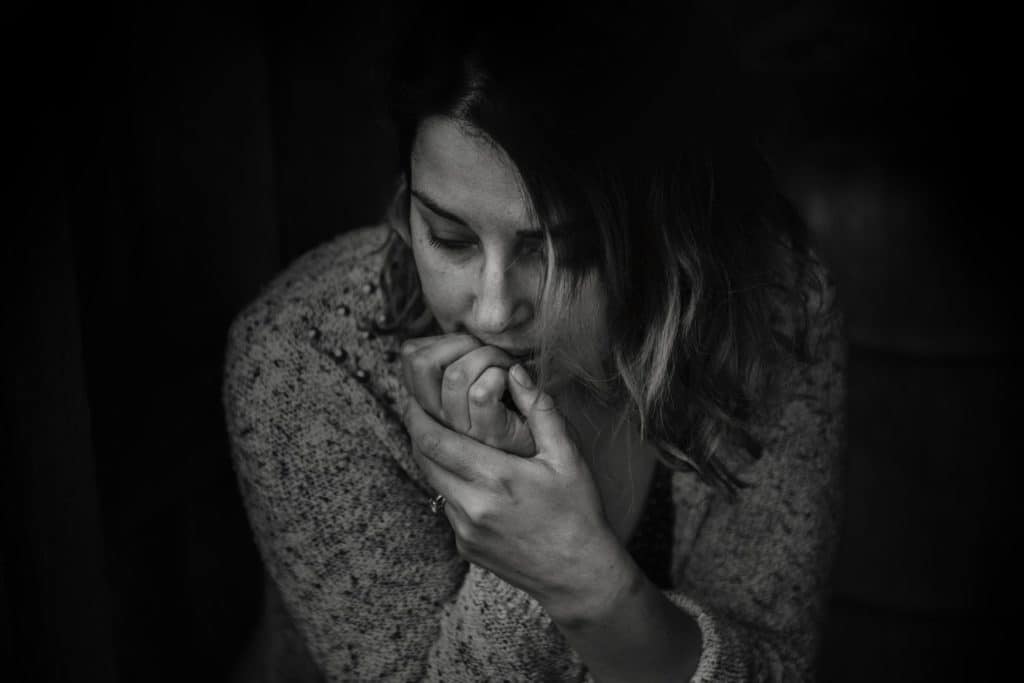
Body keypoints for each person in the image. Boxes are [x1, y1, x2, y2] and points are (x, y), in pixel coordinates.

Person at [223, 3, 845, 681]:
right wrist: (521, 568)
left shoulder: (769, 306)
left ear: (670, 237)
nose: (493, 309)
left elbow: (779, 667)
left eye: (565, 251)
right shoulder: (307, 356)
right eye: (450, 238)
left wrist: (586, 583)